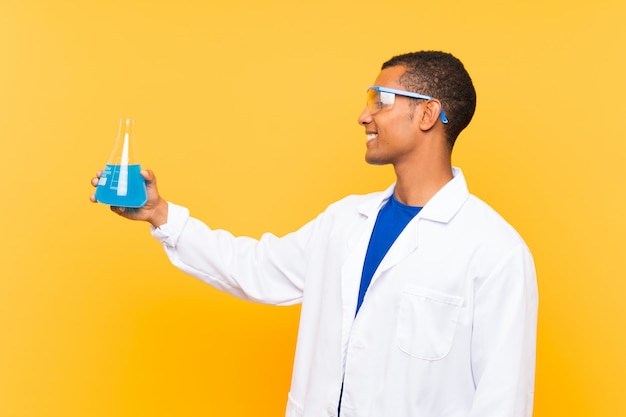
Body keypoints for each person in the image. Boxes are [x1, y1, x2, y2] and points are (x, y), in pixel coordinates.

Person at [90, 51, 538, 417]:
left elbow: (504, 402)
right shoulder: (344, 222)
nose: (364, 115)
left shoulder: (494, 251)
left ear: (427, 113)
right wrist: (161, 214)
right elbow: (256, 270)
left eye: (379, 99)